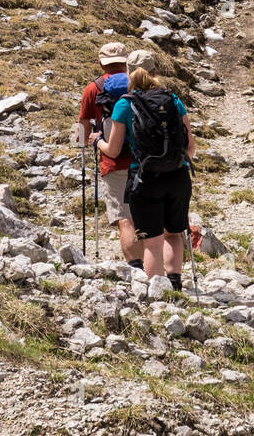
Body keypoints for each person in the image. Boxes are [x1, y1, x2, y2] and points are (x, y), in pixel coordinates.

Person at [93, 67, 195, 290]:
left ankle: (157, 293)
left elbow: (113, 149)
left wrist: (97, 141)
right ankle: (175, 284)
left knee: (152, 242)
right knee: (173, 235)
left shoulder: (124, 104)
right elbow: (190, 148)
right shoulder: (173, 99)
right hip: (178, 177)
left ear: (130, 73)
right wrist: (175, 165)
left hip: (145, 178)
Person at [78, 42, 143, 268]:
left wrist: (85, 144)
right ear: (126, 62)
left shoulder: (93, 89)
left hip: (112, 160)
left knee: (125, 218)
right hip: (145, 159)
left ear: (101, 63)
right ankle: (156, 268)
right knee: (146, 216)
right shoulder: (138, 84)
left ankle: (136, 269)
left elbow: (83, 125)